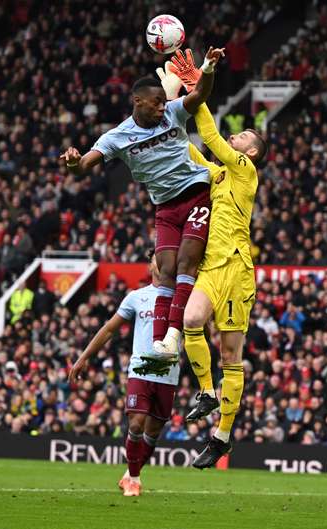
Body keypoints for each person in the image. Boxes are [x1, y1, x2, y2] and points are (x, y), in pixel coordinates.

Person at [60, 47, 225, 364]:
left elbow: (199, 95)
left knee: (186, 263)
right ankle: (159, 345)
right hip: (165, 208)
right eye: (158, 103)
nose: (164, 106)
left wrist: (208, 68)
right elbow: (83, 167)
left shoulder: (173, 113)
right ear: (138, 102)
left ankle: (173, 337)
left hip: (196, 194)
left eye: (165, 102)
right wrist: (73, 163)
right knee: (164, 271)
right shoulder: (117, 137)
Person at [162, 48, 267, 469]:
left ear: (252, 152)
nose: (236, 139)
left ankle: (222, 434)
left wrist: (197, 88)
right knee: (189, 321)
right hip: (211, 266)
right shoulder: (220, 173)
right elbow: (193, 154)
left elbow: (211, 139)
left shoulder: (244, 169)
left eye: (243, 138)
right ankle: (206, 391)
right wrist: (169, 122)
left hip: (238, 271)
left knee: (231, 357)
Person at [69, 251, 178, 497]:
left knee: (153, 433)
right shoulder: (136, 298)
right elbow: (109, 329)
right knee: (136, 423)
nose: (160, 261)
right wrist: (84, 357)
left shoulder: (181, 298)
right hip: (140, 368)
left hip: (169, 372)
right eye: (155, 258)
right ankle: (135, 480)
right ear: (150, 265)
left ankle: (130, 474)